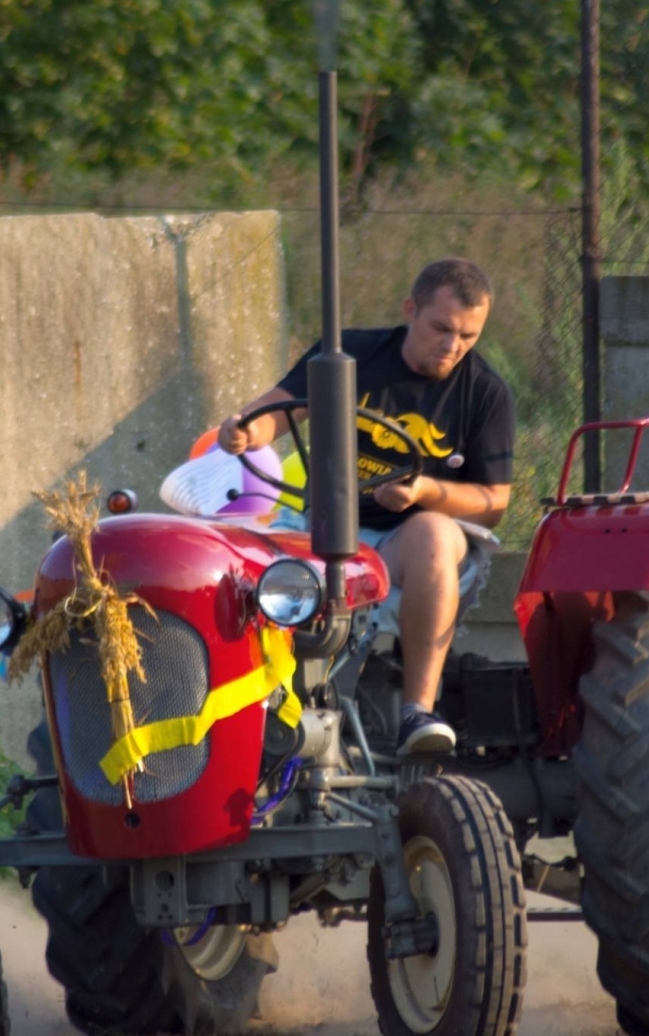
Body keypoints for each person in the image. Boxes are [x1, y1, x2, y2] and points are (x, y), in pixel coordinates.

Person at [218, 258, 515, 756]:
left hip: (403, 543)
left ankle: (417, 712)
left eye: (468, 336)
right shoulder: (349, 356)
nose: (453, 346)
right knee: (228, 560)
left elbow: (493, 502)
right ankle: (242, 716)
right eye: (441, 329)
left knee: (436, 534)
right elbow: (275, 411)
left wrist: (425, 492)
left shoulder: (485, 392)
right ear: (410, 310)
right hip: (322, 529)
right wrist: (245, 430)